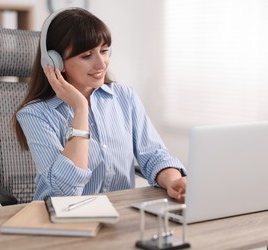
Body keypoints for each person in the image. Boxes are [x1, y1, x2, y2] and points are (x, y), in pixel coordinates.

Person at [14, 8, 186, 202]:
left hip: (119, 215)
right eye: (87, 55)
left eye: (104, 51)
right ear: (56, 61)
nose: (101, 63)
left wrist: (173, 180)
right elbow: (64, 192)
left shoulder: (124, 97)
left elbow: (154, 155)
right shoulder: (35, 114)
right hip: (62, 219)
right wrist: (80, 109)